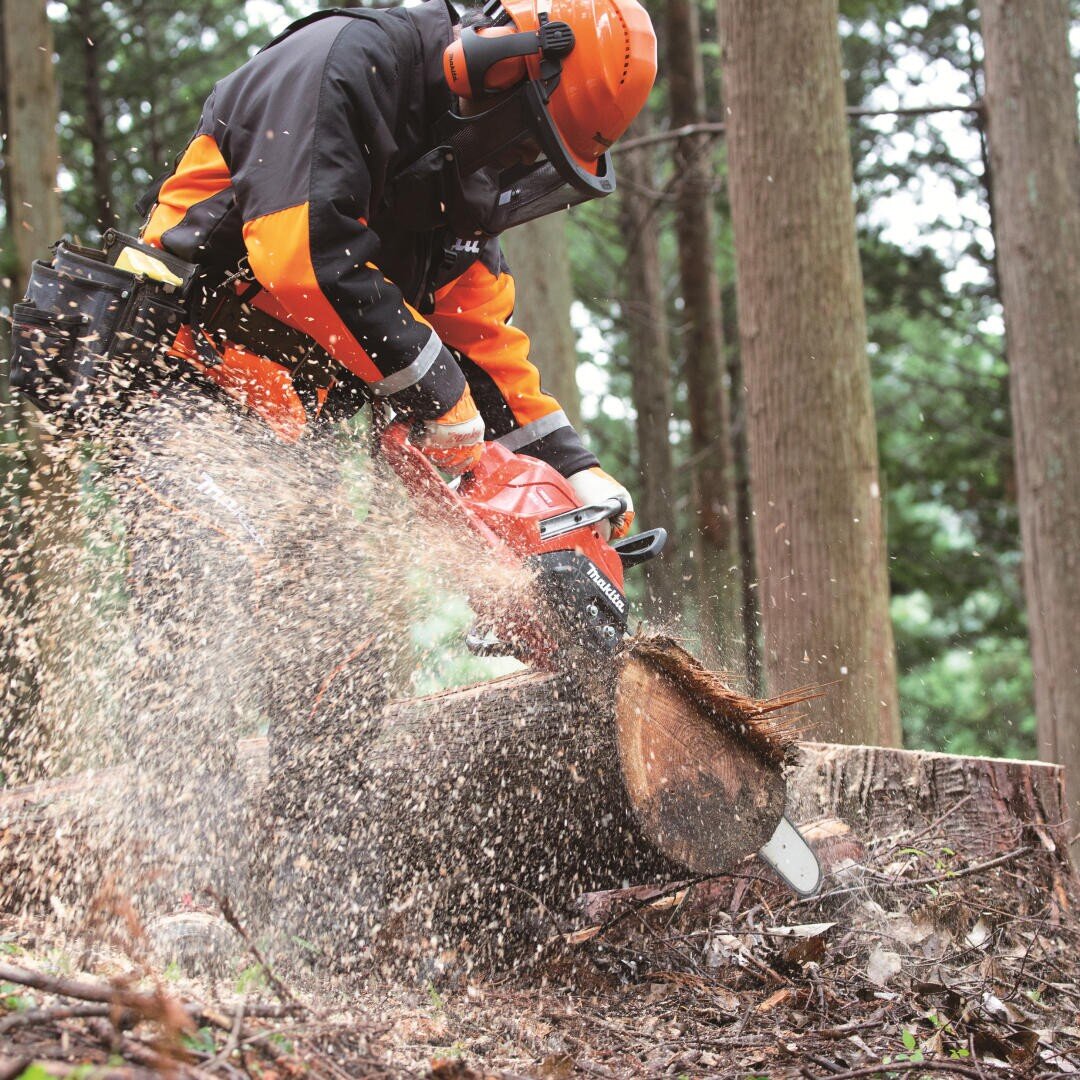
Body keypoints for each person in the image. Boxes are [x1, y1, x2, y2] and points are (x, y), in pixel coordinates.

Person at [136, 0, 657, 538]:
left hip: (294, 431)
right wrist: (438, 389)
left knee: (319, 583)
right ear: (497, 64)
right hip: (179, 376)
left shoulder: (456, 172)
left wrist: (573, 471)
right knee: (219, 567)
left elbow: (478, 340)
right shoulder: (341, 62)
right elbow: (304, 257)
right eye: (527, 140)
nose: (520, 161)